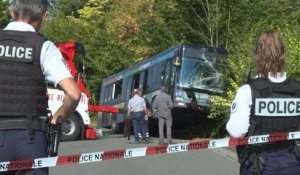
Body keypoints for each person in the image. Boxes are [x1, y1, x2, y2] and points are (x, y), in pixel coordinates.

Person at [0, 0, 81, 174]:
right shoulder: (43, 45)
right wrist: (58, 117)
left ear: (11, 12)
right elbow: (73, 93)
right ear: (44, 16)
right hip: (30, 140)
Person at [226, 30, 300, 175]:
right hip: (293, 163)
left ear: (257, 56)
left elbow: (236, 132)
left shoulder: (248, 90)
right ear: (283, 55)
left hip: (259, 164)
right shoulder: (297, 90)